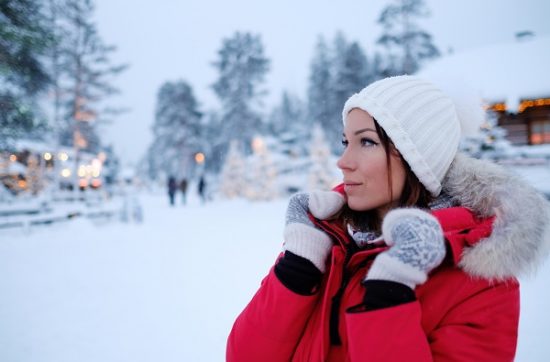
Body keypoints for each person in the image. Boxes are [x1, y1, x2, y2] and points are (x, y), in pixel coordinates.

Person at [226, 75, 550, 361]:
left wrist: (389, 294)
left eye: (366, 141)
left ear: (417, 159)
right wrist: (297, 268)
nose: (342, 161)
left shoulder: (482, 281)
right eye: (345, 141)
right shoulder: (331, 243)